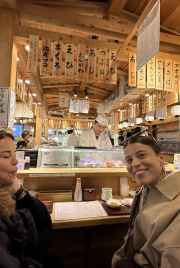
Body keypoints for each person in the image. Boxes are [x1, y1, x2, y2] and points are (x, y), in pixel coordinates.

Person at [112, 135, 180, 268]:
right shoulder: (144, 191)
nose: (135, 164)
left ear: (161, 159)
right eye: (129, 160)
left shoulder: (176, 202)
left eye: (141, 155)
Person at [0, 129, 52, 267]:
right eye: (6, 156)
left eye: (15, 154)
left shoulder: (7, 195)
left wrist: (19, 191)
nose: (15, 161)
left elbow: (43, 220)